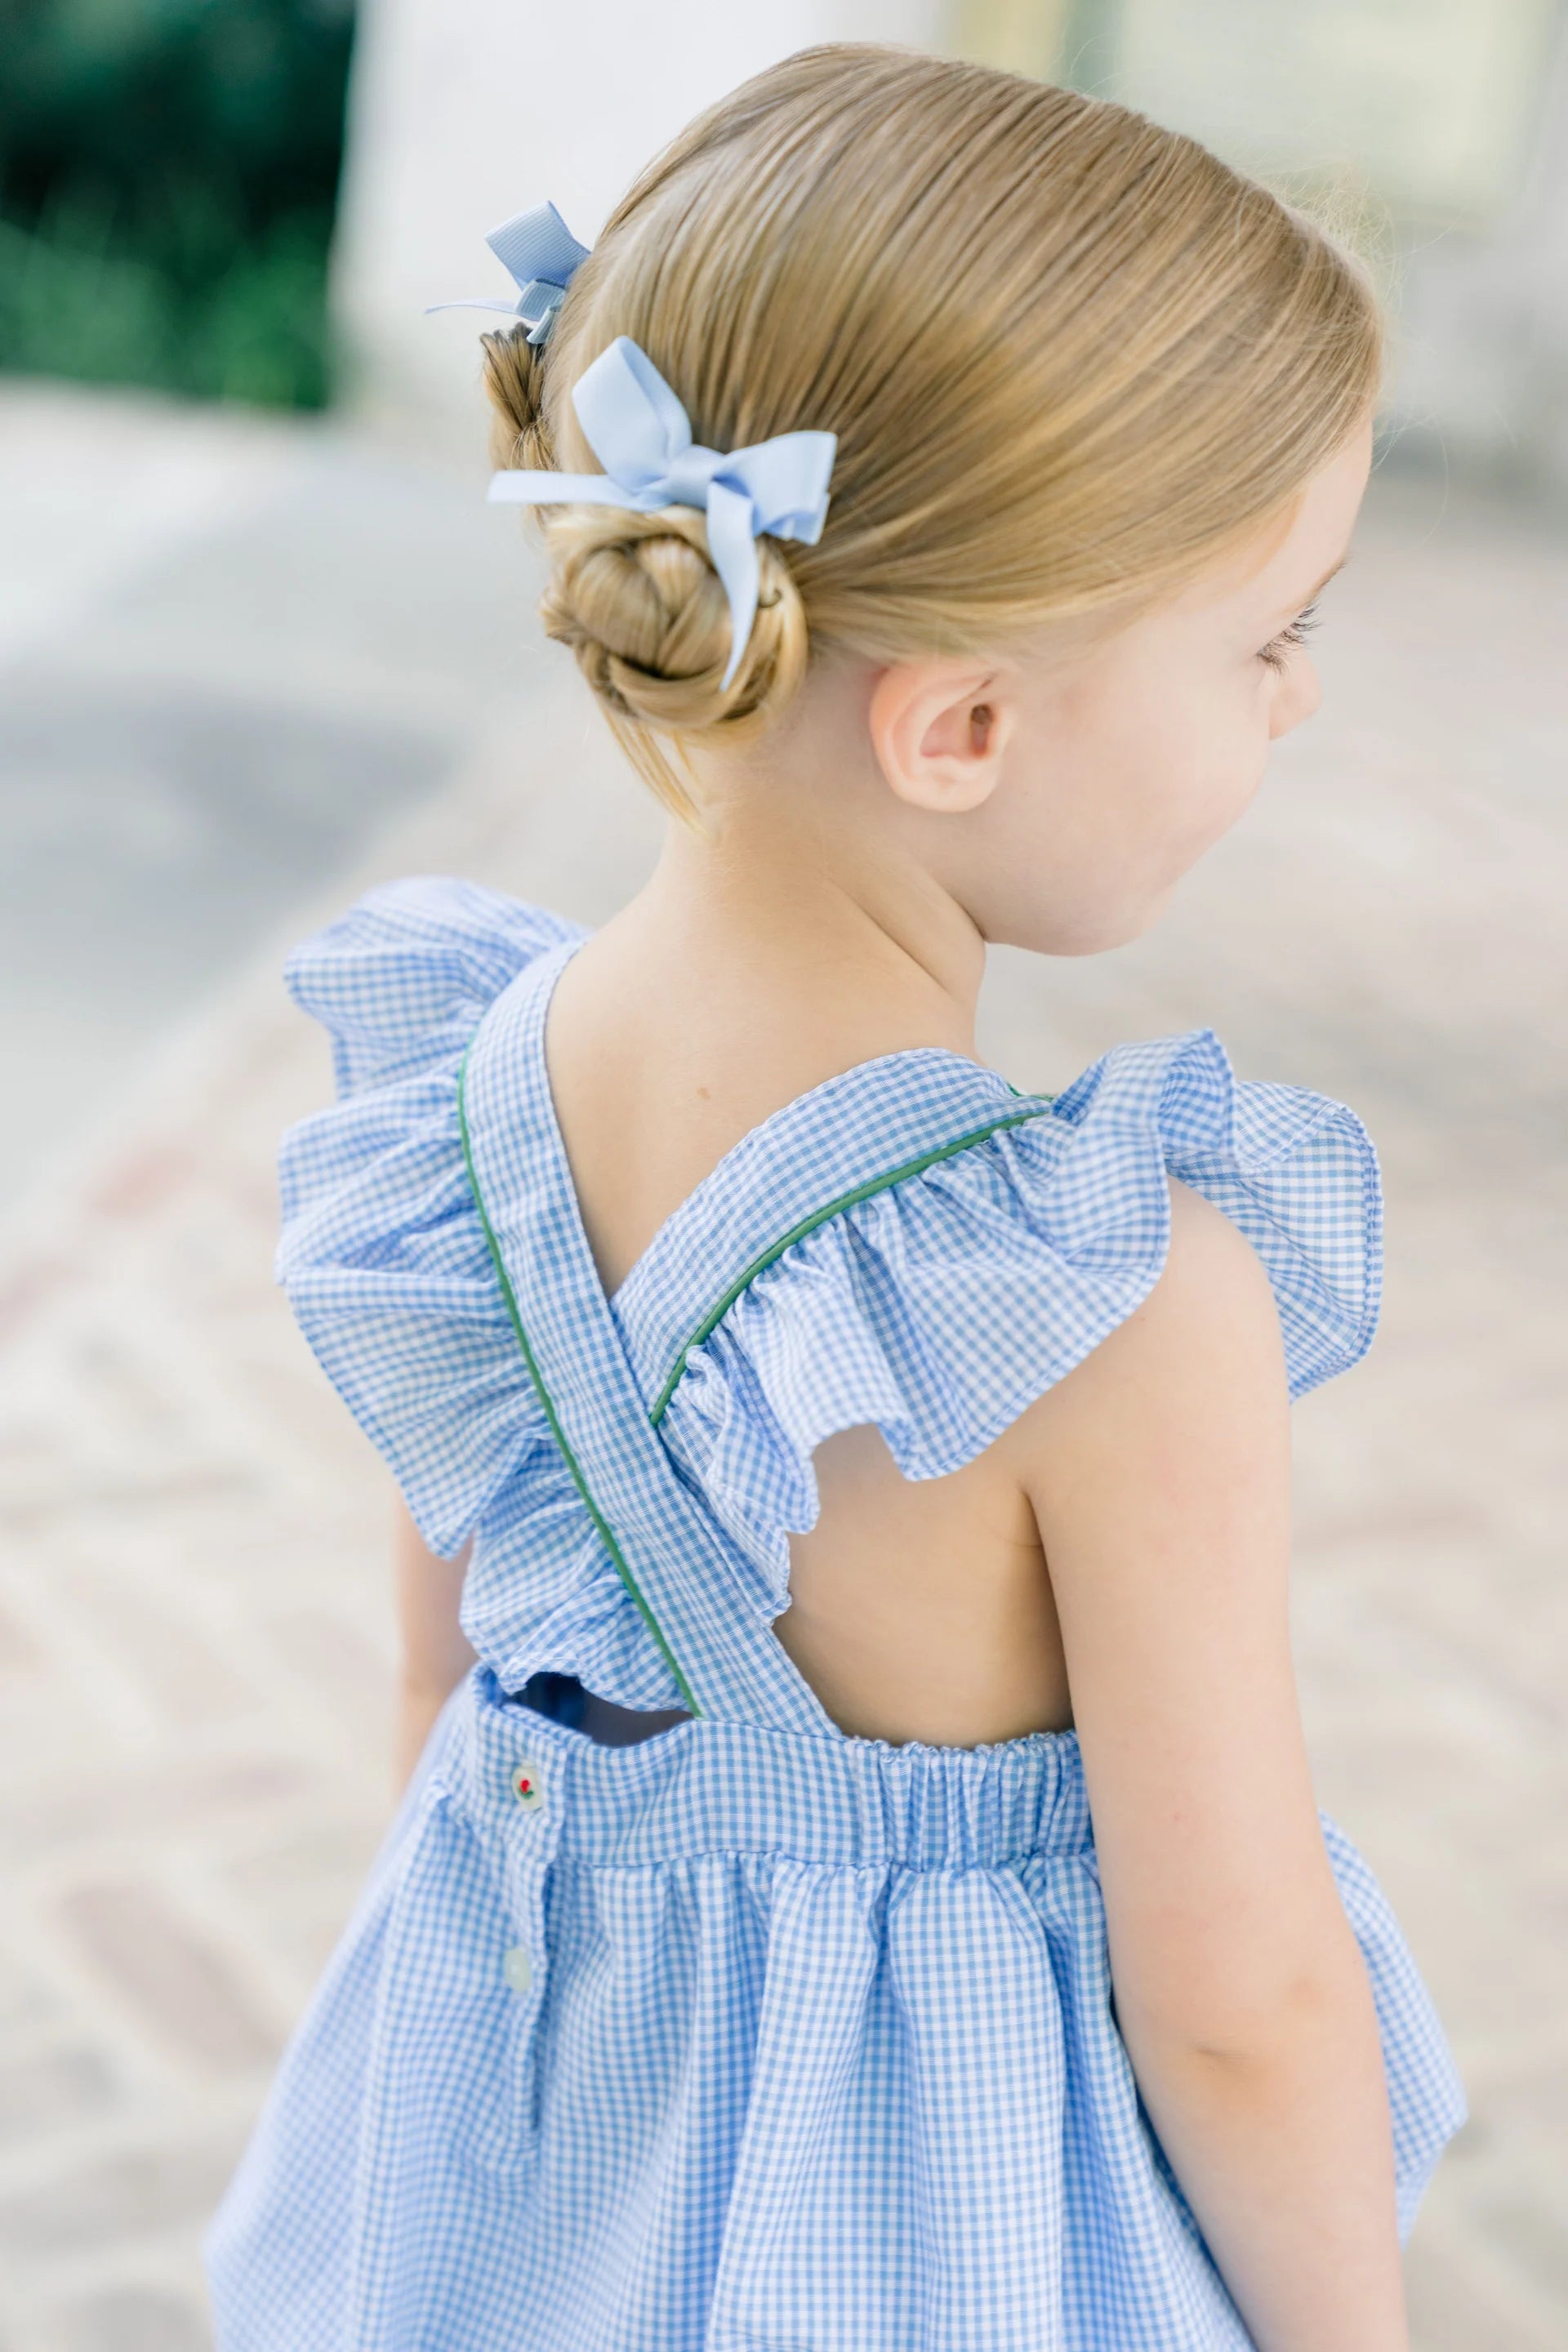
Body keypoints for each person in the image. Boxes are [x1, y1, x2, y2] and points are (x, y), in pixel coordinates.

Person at [205, 42, 1465, 2352]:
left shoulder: (450, 1120)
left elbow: (446, 1709)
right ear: (962, 728)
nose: (1291, 706)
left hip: (525, 2206)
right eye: (1269, 635)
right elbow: (1244, 1996)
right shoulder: (1099, 1297)